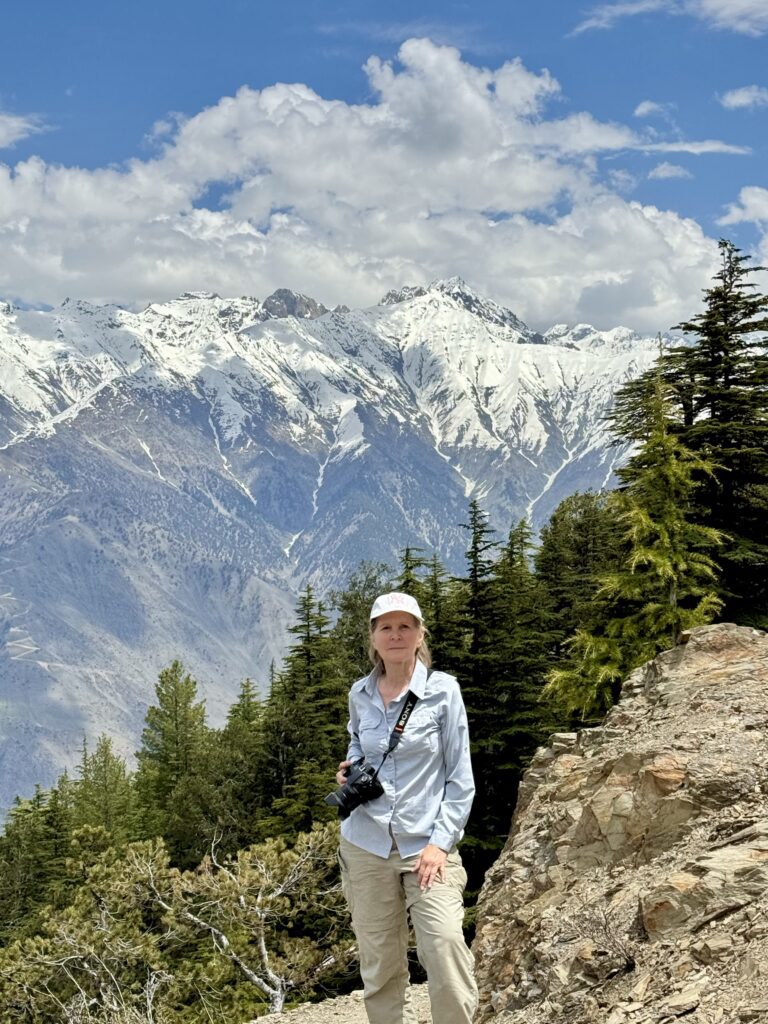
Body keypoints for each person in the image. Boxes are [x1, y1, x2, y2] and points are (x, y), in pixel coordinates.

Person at [334, 591, 477, 1024]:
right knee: (379, 966)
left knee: (446, 948)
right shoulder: (360, 693)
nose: (395, 635)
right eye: (386, 627)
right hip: (366, 844)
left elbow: (460, 777)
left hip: (427, 847)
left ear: (419, 635)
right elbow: (359, 743)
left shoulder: (443, 692)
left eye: (405, 626)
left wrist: (440, 843)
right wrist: (351, 769)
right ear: (373, 638)